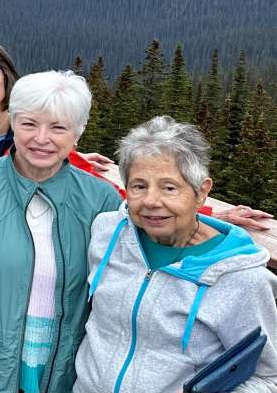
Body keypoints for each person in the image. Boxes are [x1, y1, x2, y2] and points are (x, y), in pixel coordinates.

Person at [0, 71, 121, 393]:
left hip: (67, 377)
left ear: (77, 133)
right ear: (12, 122)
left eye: (58, 127)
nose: (41, 138)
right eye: (29, 124)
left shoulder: (101, 201)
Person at [74, 117, 277, 393]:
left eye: (169, 188)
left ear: (201, 192)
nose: (151, 201)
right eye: (139, 186)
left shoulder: (242, 279)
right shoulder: (107, 232)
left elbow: (268, 376)